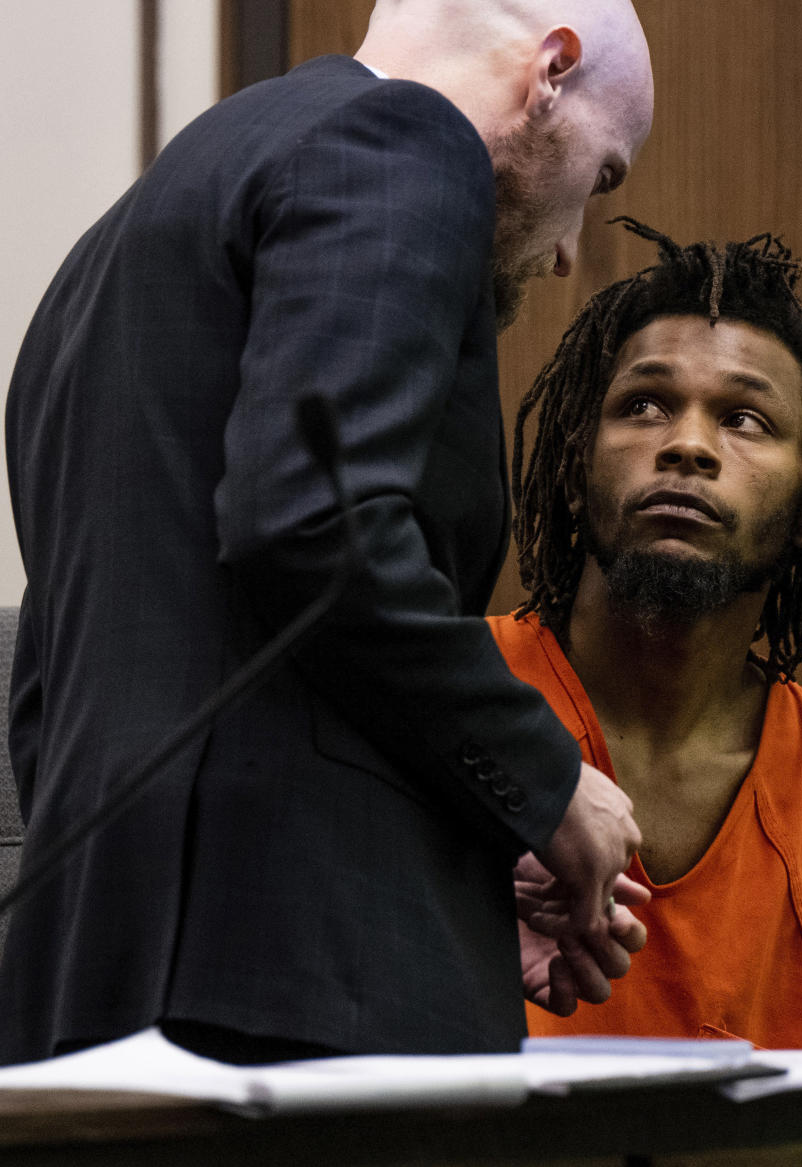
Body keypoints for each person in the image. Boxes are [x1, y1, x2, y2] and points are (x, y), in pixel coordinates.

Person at [0, 1, 656, 1065]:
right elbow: (316, 527)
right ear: (552, 72)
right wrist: (546, 784)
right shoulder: (403, 140)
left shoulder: (110, 254)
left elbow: (60, 680)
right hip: (295, 990)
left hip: (88, 966)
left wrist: (450, 858)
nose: (574, 248)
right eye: (606, 174)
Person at [494, 219, 802, 1048]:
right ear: (578, 471)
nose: (686, 445)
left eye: (745, 419)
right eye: (644, 405)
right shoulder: (444, 696)